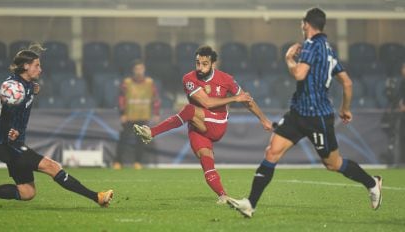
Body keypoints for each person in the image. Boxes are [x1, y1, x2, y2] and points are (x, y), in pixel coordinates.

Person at [227, 8, 383, 218]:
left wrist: (289, 59)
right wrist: (345, 108)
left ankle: (372, 183)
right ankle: (250, 204)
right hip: (298, 113)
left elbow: (300, 74)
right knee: (272, 152)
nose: (301, 26)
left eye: (302, 23)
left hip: (317, 116)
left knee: (333, 164)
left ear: (306, 24)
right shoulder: (329, 49)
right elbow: (347, 82)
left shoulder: (310, 44)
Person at [0, 44, 113, 208]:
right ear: (25, 66)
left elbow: (24, 96)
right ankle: (97, 197)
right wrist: (9, 131)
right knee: (52, 166)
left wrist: (33, 90)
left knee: (27, 193)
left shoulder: (27, 84)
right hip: (7, 144)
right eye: (36, 65)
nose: (40, 69)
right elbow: (4, 113)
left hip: (11, 144)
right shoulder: (12, 88)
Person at [134, 46, 272, 203]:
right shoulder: (189, 79)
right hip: (197, 127)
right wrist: (234, 99)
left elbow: (247, 100)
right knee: (206, 161)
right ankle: (223, 195)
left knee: (188, 109)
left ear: (213, 64)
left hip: (217, 124)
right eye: (197, 63)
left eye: (204, 64)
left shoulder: (226, 79)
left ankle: (151, 132)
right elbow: (206, 102)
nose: (200, 67)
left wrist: (263, 119)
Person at [114, 60, 161, 170]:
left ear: (144, 70)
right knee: (123, 139)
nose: (139, 71)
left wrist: (156, 113)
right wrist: (122, 113)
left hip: (143, 116)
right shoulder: (127, 82)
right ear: (133, 70)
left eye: (141, 68)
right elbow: (121, 98)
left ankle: (138, 162)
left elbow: (156, 98)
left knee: (140, 141)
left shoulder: (150, 83)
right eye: (137, 69)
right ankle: (117, 161)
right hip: (129, 116)